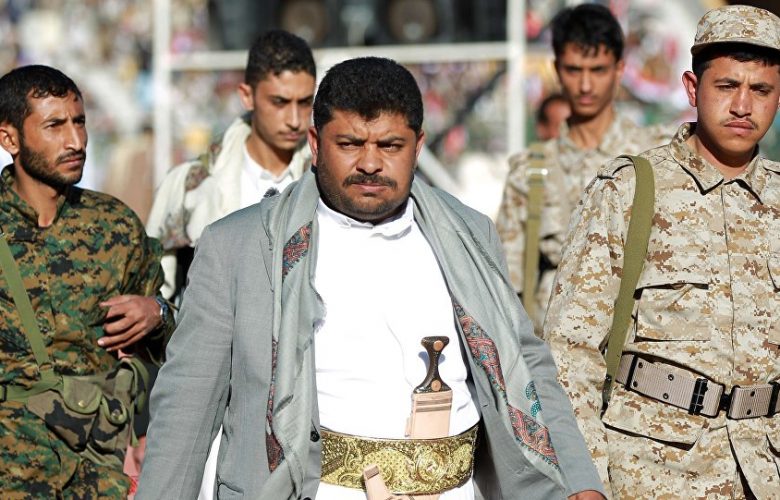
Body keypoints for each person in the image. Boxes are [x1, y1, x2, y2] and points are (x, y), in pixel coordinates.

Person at [136, 57, 605, 499]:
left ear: (418, 146)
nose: (369, 164)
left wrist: (580, 480)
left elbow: (525, 363)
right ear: (315, 144)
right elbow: (187, 408)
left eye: (390, 146)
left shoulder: (470, 234)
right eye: (349, 144)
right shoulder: (241, 246)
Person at [544, 5, 780, 498]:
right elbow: (570, 349)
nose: (743, 106)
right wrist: (585, 481)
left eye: (760, 90)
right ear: (692, 88)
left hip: (766, 473)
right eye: (726, 86)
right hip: (656, 474)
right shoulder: (630, 190)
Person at [0, 65, 173, 497]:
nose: (76, 141)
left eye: (79, 122)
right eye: (54, 126)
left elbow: (175, 343)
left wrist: (157, 313)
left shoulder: (115, 225)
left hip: (100, 474)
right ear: (9, 139)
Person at [496, 3, 672, 330]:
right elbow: (507, 288)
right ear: (556, 69)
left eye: (598, 70)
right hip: (554, 344)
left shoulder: (659, 156)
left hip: (638, 344)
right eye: (574, 70)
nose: (586, 85)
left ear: (619, 69)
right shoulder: (530, 172)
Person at [146, 29, 316, 301]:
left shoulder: (327, 181)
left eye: (305, 102)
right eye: (280, 102)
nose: (295, 120)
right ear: (247, 96)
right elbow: (154, 292)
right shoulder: (190, 186)